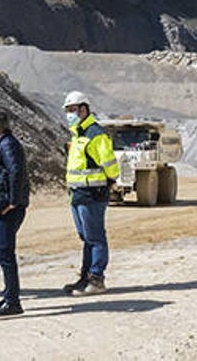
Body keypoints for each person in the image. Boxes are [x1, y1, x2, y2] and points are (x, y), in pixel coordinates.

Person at [62, 90, 120, 296]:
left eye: (72, 109)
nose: (69, 114)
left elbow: (110, 164)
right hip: (77, 194)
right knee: (86, 237)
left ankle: (96, 279)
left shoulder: (96, 134)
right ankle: (85, 277)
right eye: (67, 110)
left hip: (93, 194)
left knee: (95, 237)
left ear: (84, 109)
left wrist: (111, 180)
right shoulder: (78, 134)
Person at [0, 111, 29, 317]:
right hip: (0, 207)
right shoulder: (1, 144)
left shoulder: (7, 144)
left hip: (7, 208)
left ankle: (13, 302)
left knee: (5, 254)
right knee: (3, 253)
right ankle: (8, 296)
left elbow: (15, 172)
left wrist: (12, 201)